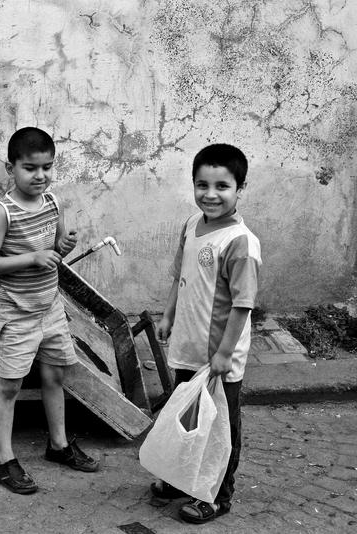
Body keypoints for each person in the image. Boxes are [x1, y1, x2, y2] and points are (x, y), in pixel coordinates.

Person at [0, 126, 99, 495]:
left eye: (47, 167)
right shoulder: (3, 212)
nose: (40, 175)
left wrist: (63, 245)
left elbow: (54, 253)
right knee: (10, 386)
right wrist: (33, 256)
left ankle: (59, 446)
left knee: (54, 378)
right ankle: (4, 460)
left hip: (50, 309)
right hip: (16, 314)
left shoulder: (53, 203)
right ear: (10, 168)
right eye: (30, 168)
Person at [152, 143, 262, 523]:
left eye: (222, 186)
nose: (210, 194)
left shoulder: (240, 243)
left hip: (219, 358)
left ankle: (217, 496)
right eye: (202, 185)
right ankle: (185, 480)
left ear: (240, 189)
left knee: (220, 428)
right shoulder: (190, 225)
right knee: (188, 418)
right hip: (187, 347)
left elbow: (242, 305)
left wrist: (224, 354)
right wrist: (168, 315)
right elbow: (179, 278)